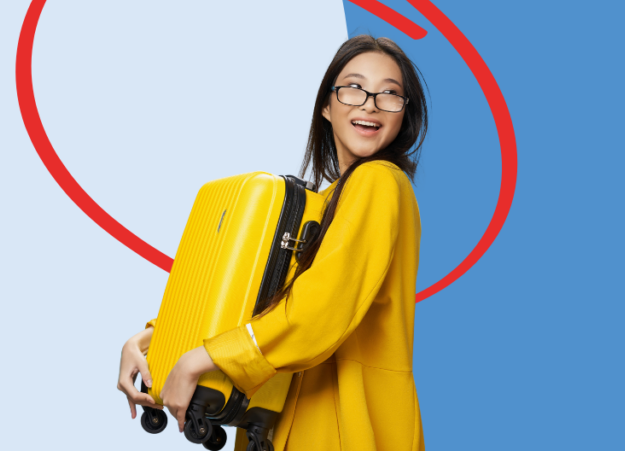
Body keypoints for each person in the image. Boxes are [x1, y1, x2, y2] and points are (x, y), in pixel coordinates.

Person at [118, 34, 429, 450]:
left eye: (389, 94)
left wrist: (201, 359)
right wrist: (150, 341)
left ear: (404, 115)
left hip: (344, 425)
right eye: (354, 88)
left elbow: (318, 310)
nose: (370, 104)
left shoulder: (379, 182)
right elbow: (251, 300)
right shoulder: (323, 204)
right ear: (326, 105)